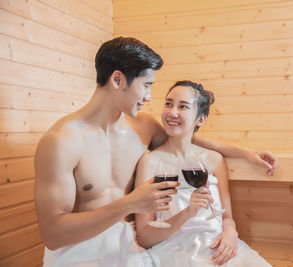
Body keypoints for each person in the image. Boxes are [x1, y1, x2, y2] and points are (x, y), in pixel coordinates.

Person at [34, 37, 277, 267]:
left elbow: (186, 139)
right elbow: (53, 235)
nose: (149, 97)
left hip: (128, 244)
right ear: (118, 80)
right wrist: (127, 204)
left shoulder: (143, 127)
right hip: (80, 249)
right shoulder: (61, 141)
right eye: (146, 86)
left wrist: (243, 153)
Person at [135, 80, 272, 266]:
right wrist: (188, 212)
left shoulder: (214, 160)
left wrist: (231, 233)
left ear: (200, 119)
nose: (172, 112)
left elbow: (226, 217)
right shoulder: (150, 162)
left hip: (217, 246)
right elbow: (144, 236)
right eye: (168, 103)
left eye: (183, 106)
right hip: (172, 251)